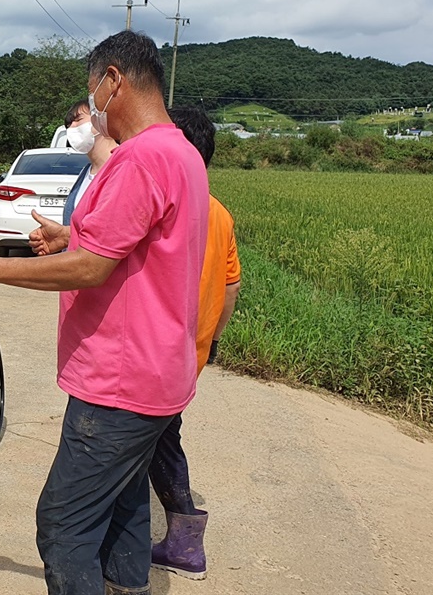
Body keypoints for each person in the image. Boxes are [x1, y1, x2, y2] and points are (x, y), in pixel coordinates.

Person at [0, 30, 209, 595]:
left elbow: (93, 269)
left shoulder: (140, 159)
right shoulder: (181, 153)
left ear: (113, 80)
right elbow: (137, 242)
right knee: (124, 508)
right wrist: (72, 234)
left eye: (93, 94)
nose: (91, 111)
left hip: (118, 381)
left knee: (64, 527)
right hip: (161, 375)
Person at [146, 105, 242, 581]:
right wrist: (213, 341)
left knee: (153, 444)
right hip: (193, 353)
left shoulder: (170, 205)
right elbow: (231, 286)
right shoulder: (219, 212)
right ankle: (180, 541)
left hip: (155, 355)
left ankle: (183, 545)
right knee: (164, 437)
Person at [28, 99, 119, 256]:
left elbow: (114, 232)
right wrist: (62, 238)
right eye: (68, 124)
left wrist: (65, 235)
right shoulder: (85, 172)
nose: (72, 128)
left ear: (102, 119)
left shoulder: (123, 167)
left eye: (78, 120)